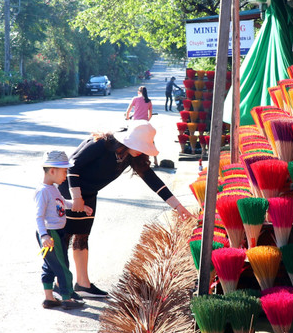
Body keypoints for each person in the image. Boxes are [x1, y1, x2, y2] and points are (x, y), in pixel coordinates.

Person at [58, 121, 192, 296]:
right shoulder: (101, 143)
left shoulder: (131, 156)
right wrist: (76, 197)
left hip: (89, 194)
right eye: (138, 145)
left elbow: (152, 180)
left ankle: (83, 284)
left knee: (82, 236)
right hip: (68, 191)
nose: (140, 150)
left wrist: (178, 206)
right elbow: (73, 164)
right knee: (65, 237)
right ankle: (61, 284)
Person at [34, 150, 91, 310]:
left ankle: (49, 298)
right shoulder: (43, 191)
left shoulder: (53, 188)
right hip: (50, 234)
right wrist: (44, 235)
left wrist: (78, 206)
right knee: (62, 266)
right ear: (52, 171)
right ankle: (67, 298)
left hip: (56, 232)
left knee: (50, 265)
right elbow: (38, 216)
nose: (66, 175)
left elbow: (61, 203)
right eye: (65, 171)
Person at [125, 86, 159, 167]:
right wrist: (146, 121)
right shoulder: (149, 101)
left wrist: (127, 117)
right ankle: (156, 160)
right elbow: (150, 115)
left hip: (135, 122)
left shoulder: (135, 99)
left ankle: (125, 157)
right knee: (151, 141)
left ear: (139, 92)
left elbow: (128, 110)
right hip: (145, 122)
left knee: (127, 139)